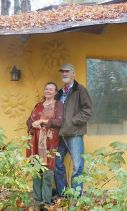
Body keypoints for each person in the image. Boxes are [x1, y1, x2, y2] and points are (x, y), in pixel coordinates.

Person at [54, 63, 92, 197]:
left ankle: (75, 196)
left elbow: (87, 110)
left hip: (74, 133)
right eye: (63, 72)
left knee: (77, 166)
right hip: (60, 134)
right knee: (56, 163)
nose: (65, 74)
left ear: (73, 74)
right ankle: (64, 194)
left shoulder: (80, 89)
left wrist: (73, 121)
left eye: (67, 71)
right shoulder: (59, 93)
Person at [26, 82, 64, 206]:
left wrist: (42, 121)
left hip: (50, 141)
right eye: (46, 88)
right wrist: (32, 124)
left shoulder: (58, 105)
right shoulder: (38, 105)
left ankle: (47, 201)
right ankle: (37, 199)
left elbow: (59, 122)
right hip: (36, 141)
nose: (48, 91)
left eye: (51, 89)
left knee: (48, 170)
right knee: (36, 169)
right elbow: (29, 121)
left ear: (56, 92)